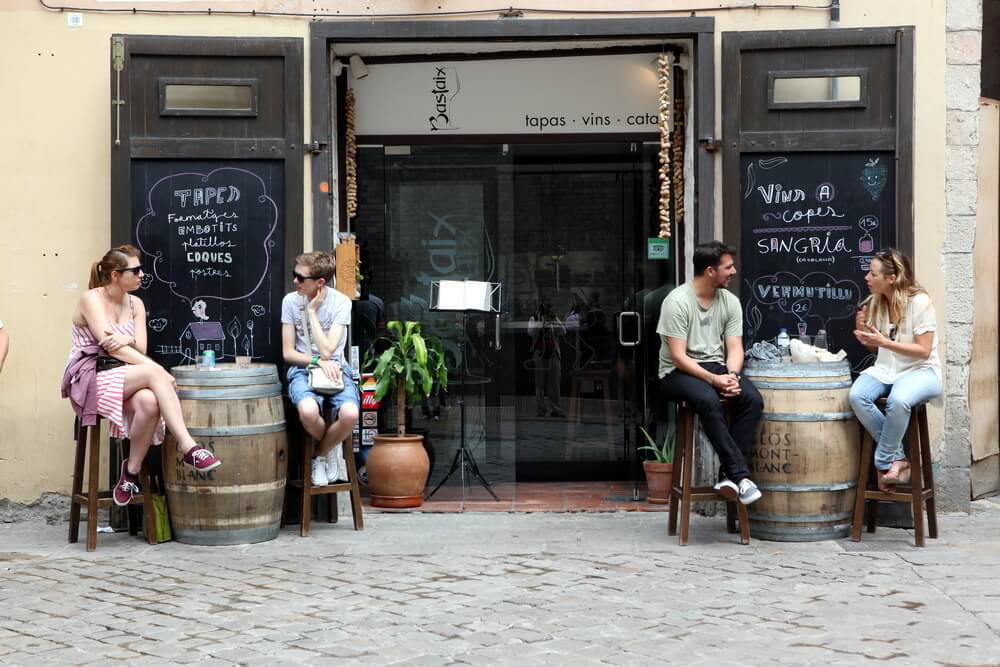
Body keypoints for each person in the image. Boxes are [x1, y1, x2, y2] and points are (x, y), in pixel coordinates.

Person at [62, 245, 222, 507]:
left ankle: (130, 472)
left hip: (125, 373)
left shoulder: (136, 303)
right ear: (115, 275)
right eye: (135, 271)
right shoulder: (91, 298)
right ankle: (189, 446)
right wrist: (153, 368)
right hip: (91, 375)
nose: (142, 275)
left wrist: (126, 341)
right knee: (154, 373)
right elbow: (106, 343)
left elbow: (140, 348)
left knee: (149, 402)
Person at [656, 241, 763, 505]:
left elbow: (736, 347)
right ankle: (741, 476)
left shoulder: (730, 301)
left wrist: (732, 377)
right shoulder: (677, 302)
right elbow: (679, 357)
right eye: (728, 267)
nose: (734, 271)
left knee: (752, 399)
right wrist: (715, 380)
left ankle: (727, 475)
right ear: (710, 271)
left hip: (715, 367)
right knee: (707, 399)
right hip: (675, 372)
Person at [849, 248, 942, 493]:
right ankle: (898, 458)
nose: (867, 278)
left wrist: (884, 343)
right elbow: (877, 346)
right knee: (856, 396)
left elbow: (923, 350)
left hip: (921, 371)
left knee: (899, 399)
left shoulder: (919, 302)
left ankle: (882, 463)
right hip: (886, 370)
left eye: (873, 274)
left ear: (891, 278)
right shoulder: (877, 302)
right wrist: (865, 337)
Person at [281, 251, 360, 486]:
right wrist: (316, 362)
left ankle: (320, 454)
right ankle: (332, 446)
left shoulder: (341, 303)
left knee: (350, 414)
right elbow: (288, 353)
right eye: (294, 275)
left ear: (320, 282)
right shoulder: (290, 301)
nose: (295, 281)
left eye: (300, 278)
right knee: (307, 410)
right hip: (303, 370)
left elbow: (328, 351)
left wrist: (313, 312)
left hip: (337, 369)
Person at [528, 301, 565, 418]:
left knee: (554, 382)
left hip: (553, 353)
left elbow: (564, 331)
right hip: (539, 353)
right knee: (540, 383)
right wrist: (541, 322)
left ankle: (555, 409)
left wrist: (554, 320)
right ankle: (541, 409)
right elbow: (531, 333)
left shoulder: (553, 319)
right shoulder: (534, 318)